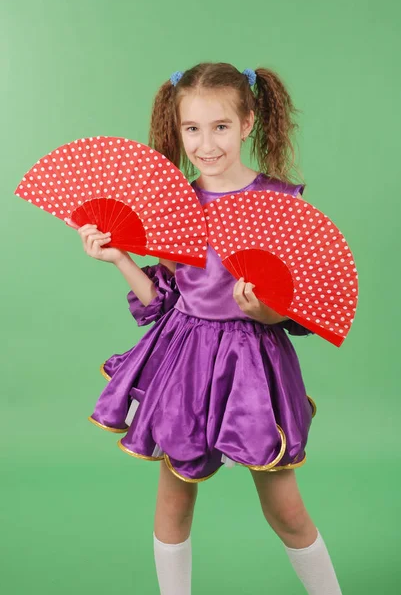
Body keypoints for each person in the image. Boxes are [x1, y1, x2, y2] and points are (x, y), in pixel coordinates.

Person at [76, 63, 342, 594]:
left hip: (252, 364)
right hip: (186, 361)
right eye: (191, 128)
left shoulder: (280, 204)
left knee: (285, 506)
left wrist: (260, 309)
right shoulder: (175, 204)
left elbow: (287, 315)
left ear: (247, 123)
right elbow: (167, 301)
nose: (205, 143)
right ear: (177, 130)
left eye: (220, 126)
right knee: (174, 498)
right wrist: (122, 260)